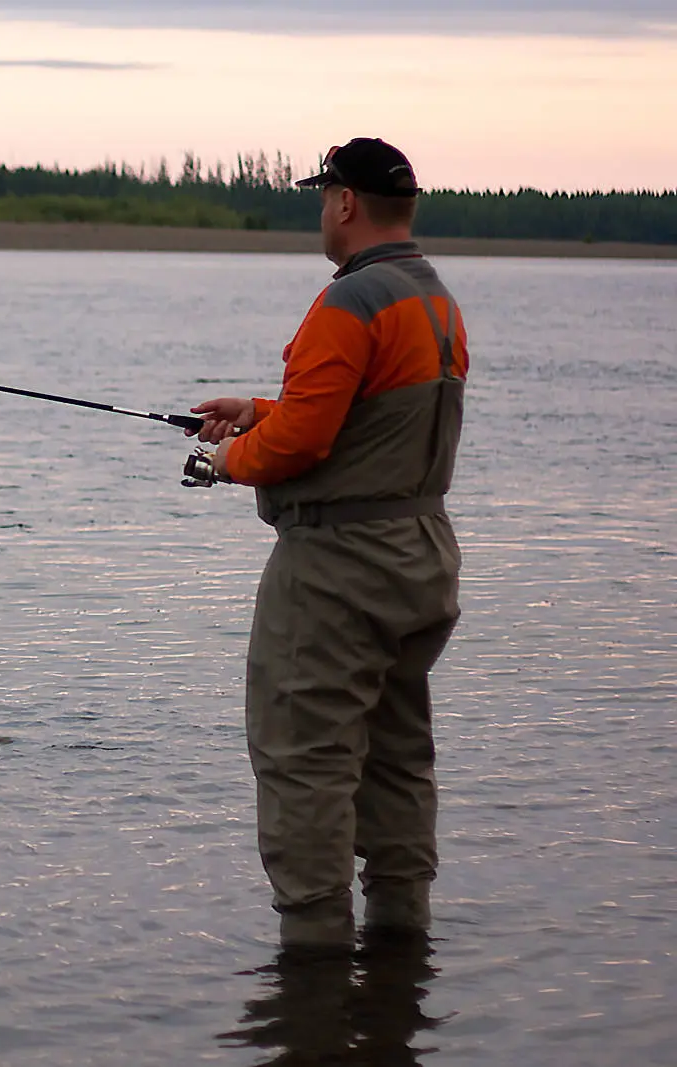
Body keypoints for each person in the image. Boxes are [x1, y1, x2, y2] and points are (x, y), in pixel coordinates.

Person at [189, 137, 468, 949]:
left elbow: (305, 444)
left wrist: (227, 459)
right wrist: (258, 410)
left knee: (304, 758)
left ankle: (311, 965)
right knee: (395, 755)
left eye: (324, 197)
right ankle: (402, 948)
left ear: (345, 202)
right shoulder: (433, 300)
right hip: (419, 558)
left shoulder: (350, 301)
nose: (322, 211)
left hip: (340, 572)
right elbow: (364, 424)